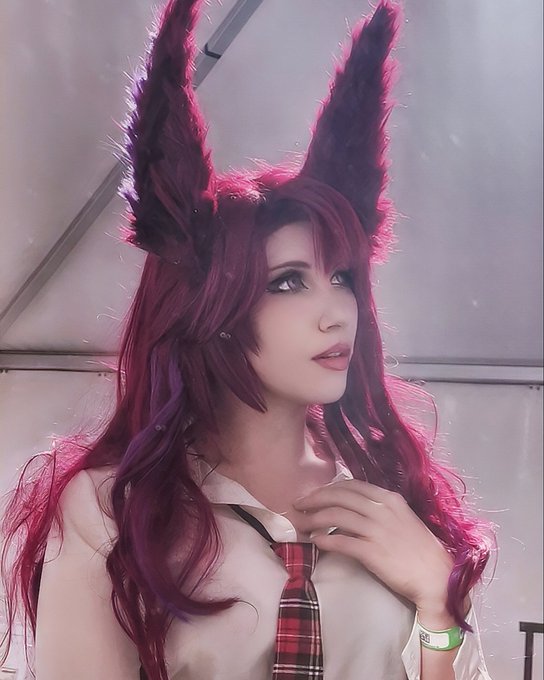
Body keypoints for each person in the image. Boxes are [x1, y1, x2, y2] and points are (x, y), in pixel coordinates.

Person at [1, 1, 494, 678]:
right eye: (289, 283)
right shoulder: (115, 511)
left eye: (343, 278)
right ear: (212, 306)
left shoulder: (391, 500)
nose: (337, 313)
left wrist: (440, 611)